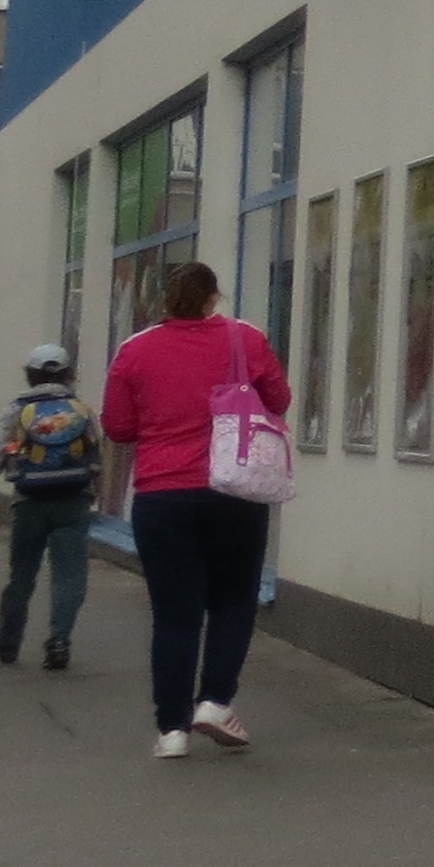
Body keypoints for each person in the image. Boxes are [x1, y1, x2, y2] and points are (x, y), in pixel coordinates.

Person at [100, 264, 287, 759]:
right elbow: (280, 398)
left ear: (166, 299)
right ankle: (215, 701)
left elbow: (118, 427)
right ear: (212, 298)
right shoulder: (244, 339)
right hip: (235, 490)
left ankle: (171, 731)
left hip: (162, 496)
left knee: (174, 615)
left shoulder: (134, 350)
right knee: (233, 600)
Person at [0, 344, 106, 670]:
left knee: (21, 575)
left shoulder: (18, 408)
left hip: (29, 500)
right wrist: (95, 492)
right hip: (74, 498)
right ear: (68, 374)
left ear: (30, 374)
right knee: (69, 575)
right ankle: (59, 639)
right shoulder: (80, 409)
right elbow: (96, 451)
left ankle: (8, 643)